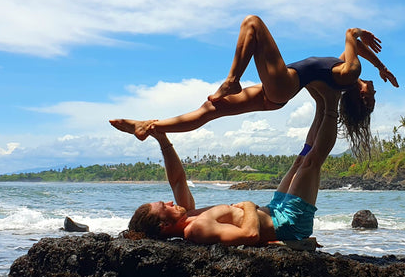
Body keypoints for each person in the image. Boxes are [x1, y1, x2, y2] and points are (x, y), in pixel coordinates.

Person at [110, 15, 398, 156]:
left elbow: (352, 36)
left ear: (360, 96)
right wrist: (383, 67)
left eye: (371, 96)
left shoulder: (350, 73)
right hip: (273, 95)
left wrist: (359, 32)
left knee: (253, 24)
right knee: (210, 109)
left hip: (284, 84)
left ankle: (232, 80)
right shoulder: (345, 75)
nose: (373, 89)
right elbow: (357, 49)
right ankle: (148, 127)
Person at [123, 82, 339, 245]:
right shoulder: (196, 230)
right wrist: (248, 205)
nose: (170, 202)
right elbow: (250, 235)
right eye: (164, 207)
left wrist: (162, 138)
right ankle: (332, 103)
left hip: (274, 211)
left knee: (301, 160)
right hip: (289, 223)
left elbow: (178, 180)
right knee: (311, 163)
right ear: (164, 226)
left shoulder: (188, 216)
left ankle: (321, 103)